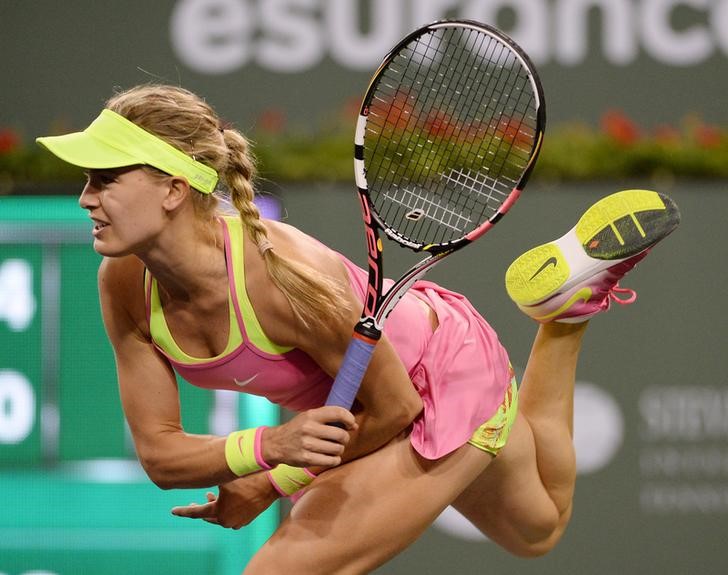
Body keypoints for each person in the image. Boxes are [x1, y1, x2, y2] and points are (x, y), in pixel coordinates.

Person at [36, 84, 680, 574]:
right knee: (537, 526)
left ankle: (554, 331)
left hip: (433, 379)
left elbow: (395, 408)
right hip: (364, 395)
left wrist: (272, 476)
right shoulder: (122, 280)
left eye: (106, 179)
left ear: (175, 189)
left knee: (287, 567)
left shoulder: (281, 279)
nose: (85, 198)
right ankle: (563, 314)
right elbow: (160, 454)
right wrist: (269, 451)